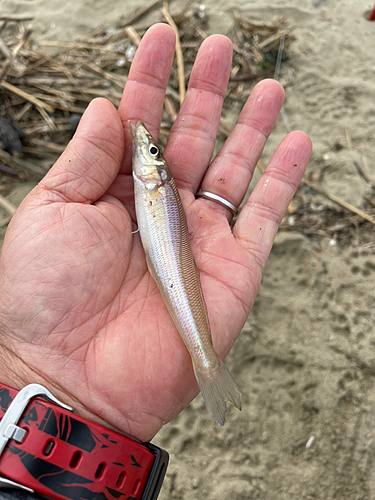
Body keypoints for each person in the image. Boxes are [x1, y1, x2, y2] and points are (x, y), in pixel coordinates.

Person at [0, 23, 311, 448]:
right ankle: (207, 363)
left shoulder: (157, 186)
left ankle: (208, 364)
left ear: (157, 172)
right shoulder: (153, 187)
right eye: (151, 151)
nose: (146, 150)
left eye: (150, 153)